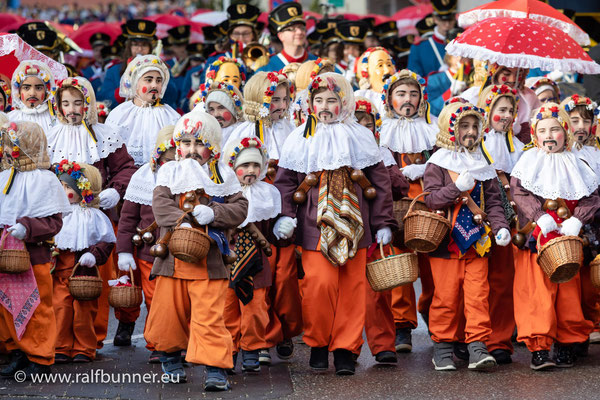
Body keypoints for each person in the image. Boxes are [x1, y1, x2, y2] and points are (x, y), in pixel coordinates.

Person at [274, 72, 396, 375]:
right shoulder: (299, 136)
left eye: (331, 100)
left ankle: (346, 349)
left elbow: (379, 184)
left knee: (353, 289)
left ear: (343, 103)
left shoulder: (360, 135)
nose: (326, 105)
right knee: (319, 285)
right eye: (319, 100)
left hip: (357, 225)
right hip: (315, 224)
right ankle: (317, 341)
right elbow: (286, 182)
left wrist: (382, 222)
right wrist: (286, 216)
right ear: (311, 103)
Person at [144, 111, 248, 390]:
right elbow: (161, 208)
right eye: (186, 142)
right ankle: (171, 358)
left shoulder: (224, 175)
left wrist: (212, 212)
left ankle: (215, 368)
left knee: (210, 316)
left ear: (212, 146)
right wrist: (189, 219)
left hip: (210, 262)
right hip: (172, 259)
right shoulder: (168, 172)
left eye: (199, 143)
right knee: (169, 314)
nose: (191, 150)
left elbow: (240, 209)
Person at [510, 103, 600, 370]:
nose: (549, 135)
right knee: (537, 295)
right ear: (535, 135)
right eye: (542, 130)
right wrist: (539, 215)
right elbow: (519, 193)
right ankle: (539, 347)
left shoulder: (578, 161)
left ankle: (567, 343)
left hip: (568, 242)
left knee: (568, 295)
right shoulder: (528, 161)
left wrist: (577, 220)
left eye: (555, 129)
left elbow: (592, 197)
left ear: (566, 131)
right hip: (538, 239)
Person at [424, 98, 511, 371]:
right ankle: (443, 347)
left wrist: (501, 227)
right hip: (446, 242)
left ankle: (477, 346)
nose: (471, 131)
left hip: (478, 243)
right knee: (446, 298)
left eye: (475, 125)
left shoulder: (483, 162)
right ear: (451, 128)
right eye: (465, 126)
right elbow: (431, 200)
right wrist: (455, 188)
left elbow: (494, 202)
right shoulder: (438, 162)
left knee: (478, 295)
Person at [0, 121, 70, 379]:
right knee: (6, 306)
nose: (8, 149)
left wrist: (26, 228)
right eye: (6, 143)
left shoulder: (45, 179)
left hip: (34, 256)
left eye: (14, 144)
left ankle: (40, 356)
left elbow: (54, 223)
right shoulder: (4, 176)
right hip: (5, 256)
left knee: (37, 307)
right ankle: (17, 350)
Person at [379, 70, 438, 350]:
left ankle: (432, 314)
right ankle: (402, 325)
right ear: (390, 98)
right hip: (398, 206)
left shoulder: (434, 127)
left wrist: (425, 167)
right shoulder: (382, 131)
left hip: (431, 207)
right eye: (401, 93)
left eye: (413, 94)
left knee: (432, 268)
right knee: (401, 268)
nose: (408, 99)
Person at [355, 95, 410, 364]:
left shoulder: (380, 151)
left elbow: (400, 188)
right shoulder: (331, 147)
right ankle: (347, 347)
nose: (364, 128)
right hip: (343, 224)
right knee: (346, 291)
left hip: (373, 224)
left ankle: (383, 343)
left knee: (376, 290)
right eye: (357, 122)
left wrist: (387, 168)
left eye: (368, 123)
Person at [116, 125, 176, 363]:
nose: (170, 165)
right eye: (166, 159)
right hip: (148, 253)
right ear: (157, 156)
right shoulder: (142, 178)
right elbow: (128, 218)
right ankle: (158, 344)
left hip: (181, 252)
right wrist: (123, 251)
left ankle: (178, 342)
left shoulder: (188, 178)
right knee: (155, 301)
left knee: (177, 301)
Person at [222, 136, 280, 371]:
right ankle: (229, 349)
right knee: (227, 307)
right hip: (227, 259)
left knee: (256, 308)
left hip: (257, 260)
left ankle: (252, 347)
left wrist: (282, 226)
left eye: (256, 165)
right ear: (233, 167)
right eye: (244, 165)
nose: (250, 171)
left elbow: (272, 227)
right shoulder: (223, 190)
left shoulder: (268, 193)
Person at [476, 84, 524, 364]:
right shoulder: (474, 139)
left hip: (509, 217)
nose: (505, 115)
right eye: (500, 109)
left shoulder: (519, 146)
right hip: (478, 216)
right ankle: (472, 337)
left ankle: (500, 340)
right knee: (475, 281)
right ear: (487, 110)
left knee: (503, 280)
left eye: (510, 110)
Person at [52, 161, 116, 363]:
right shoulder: (58, 215)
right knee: (60, 309)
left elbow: (106, 241)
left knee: (84, 313)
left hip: (83, 274)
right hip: (61, 272)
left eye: (68, 187)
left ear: (83, 190)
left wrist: (94, 255)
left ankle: (84, 348)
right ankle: (61, 346)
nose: (64, 192)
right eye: (61, 187)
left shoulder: (92, 216)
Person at [560, 95, 600, 348]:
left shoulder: (597, 151)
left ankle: (594, 322)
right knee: (575, 281)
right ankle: (578, 328)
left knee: (593, 280)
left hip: (596, 219)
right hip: (571, 218)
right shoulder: (560, 152)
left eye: (586, 120)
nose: (581, 127)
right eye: (574, 120)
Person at [105, 55, 180, 166]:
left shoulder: (171, 116)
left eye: (158, 81)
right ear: (135, 83)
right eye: (148, 80)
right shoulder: (120, 115)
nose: (154, 85)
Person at [225, 72, 294, 163]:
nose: (282, 106)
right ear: (258, 101)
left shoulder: (289, 128)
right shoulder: (246, 131)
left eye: (285, 99)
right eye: (275, 100)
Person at [258, 2, 317, 72]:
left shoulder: (317, 64)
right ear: (281, 36)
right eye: (292, 29)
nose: (299, 32)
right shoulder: (267, 68)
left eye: (302, 28)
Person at [407, 0, 457, 77]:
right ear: (435, 19)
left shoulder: (464, 42)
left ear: (455, 18)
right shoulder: (418, 48)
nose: (447, 24)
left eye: (450, 19)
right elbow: (415, 81)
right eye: (442, 19)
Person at [7, 60, 56, 133]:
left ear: (47, 92)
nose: (32, 93)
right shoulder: (9, 119)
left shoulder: (55, 118)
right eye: (26, 88)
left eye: (38, 88)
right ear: (18, 91)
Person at [194, 81, 244, 147]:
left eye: (221, 108)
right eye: (211, 109)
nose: (216, 114)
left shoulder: (243, 132)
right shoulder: (206, 134)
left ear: (233, 110)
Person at [355, 46, 396, 115]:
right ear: (366, 72)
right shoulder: (361, 97)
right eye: (380, 65)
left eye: (389, 65)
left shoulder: (402, 96)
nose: (387, 71)